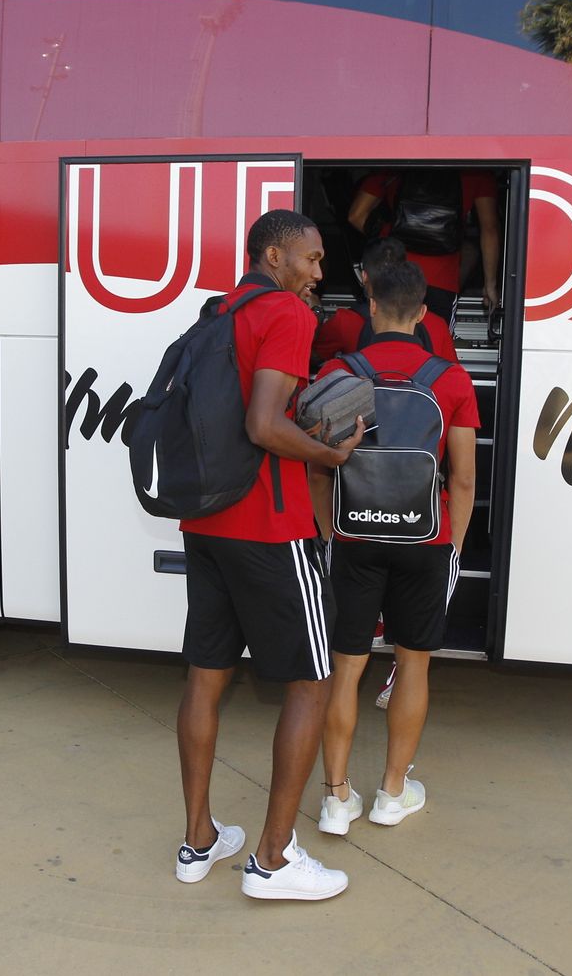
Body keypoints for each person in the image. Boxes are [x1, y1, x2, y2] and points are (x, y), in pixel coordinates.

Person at [174, 209, 365, 902]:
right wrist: (329, 452)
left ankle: (199, 841)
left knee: (206, 677)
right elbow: (263, 424)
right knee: (312, 681)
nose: (319, 272)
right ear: (274, 254)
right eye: (311, 259)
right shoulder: (286, 312)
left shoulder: (219, 310)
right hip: (271, 526)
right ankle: (273, 860)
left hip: (206, 520)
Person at [307, 259, 479, 836]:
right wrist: (450, 547)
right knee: (412, 665)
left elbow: (317, 469)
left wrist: (332, 533)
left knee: (347, 667)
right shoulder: (450, 379)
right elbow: (462, 479)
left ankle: (335, 799)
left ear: (370, 306)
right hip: (424, 540)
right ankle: (392, 793)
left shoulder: (337, 372)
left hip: (355, 536)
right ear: (425, 314)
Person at [347, 169, 502, 322]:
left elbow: (356, 215)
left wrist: (389, 236)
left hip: (393, 274)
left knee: (388, 343)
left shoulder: (394, 162)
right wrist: (490, 285)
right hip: (442, 280)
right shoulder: (477, 170)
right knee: (434, 343)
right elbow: (489, 230)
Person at [311, 236, 460, 369]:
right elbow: (452, 378)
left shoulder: (344, 321)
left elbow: (312, 359)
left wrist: (315, 312)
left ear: (364, 276)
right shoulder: (437, 325)